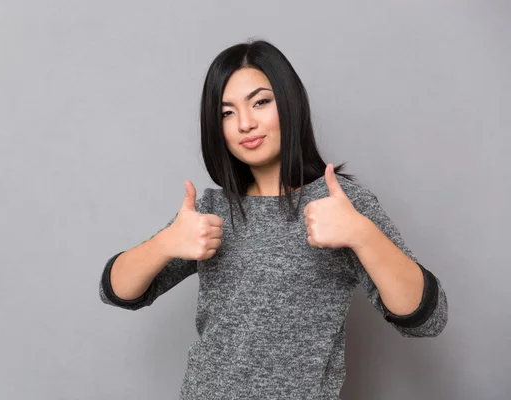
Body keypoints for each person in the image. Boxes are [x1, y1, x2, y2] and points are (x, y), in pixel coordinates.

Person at [99, 39, 448, 399]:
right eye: (227, 112)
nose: (245, 124)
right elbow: (118, 292)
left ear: (289, 103)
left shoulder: (338, 204)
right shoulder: (214, 209)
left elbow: (429, 320)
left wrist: (362, 233)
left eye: (261, 102)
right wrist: (165, 243)